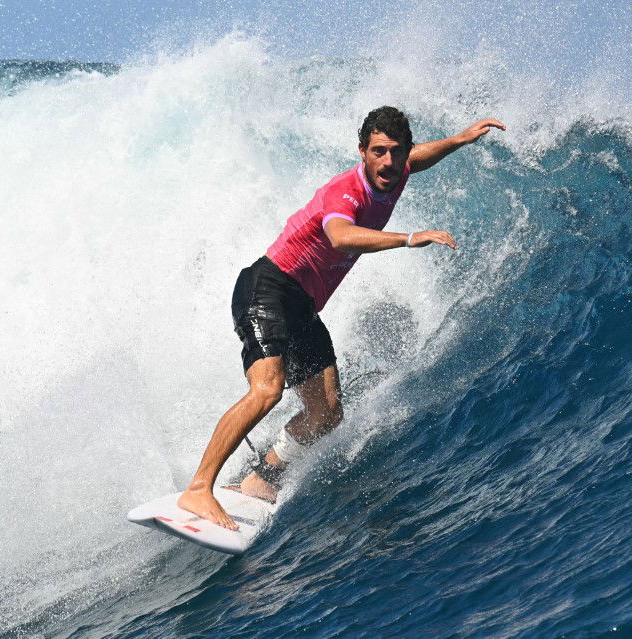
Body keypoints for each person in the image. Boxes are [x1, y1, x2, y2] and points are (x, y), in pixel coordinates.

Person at [178, 106, 506, 530]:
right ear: (362, 152)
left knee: (328, 413)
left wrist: (459, 140)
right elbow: (341, 236)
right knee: (267, 390)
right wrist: (408, 238)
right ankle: (199, 488)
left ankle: (262, 477)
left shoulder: (399, 167)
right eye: (378, 152)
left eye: (396, 152)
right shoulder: (344, 192)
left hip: (302, 307)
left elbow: (417, 158)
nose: (389, 161)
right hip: (268, 289)